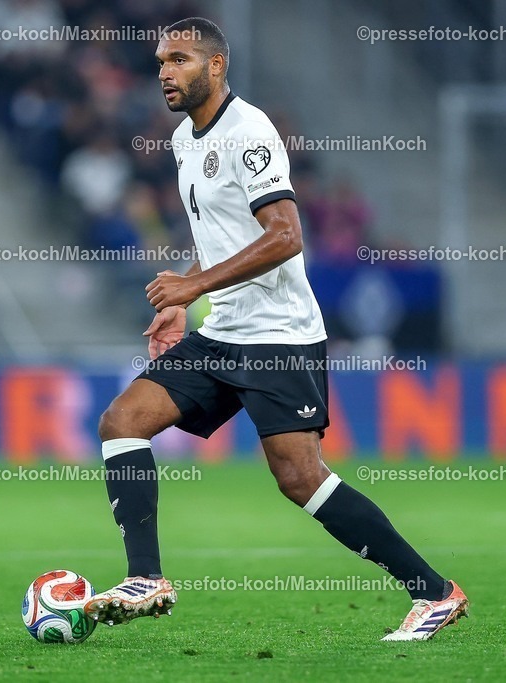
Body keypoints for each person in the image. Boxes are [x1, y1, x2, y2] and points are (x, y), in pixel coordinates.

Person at [84, 17, 468, 642]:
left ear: (215, 66)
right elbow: (220, 237)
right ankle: (145, 578)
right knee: (122, 422)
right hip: (224, 329)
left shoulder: (249, 131)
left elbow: (286, 236)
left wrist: (194, 287)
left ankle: (433, 592)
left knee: (298, 477)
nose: (164, 72)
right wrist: (185, 295)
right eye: (160, 61)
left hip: (278, 334)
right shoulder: (185, 140)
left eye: (179, 59)